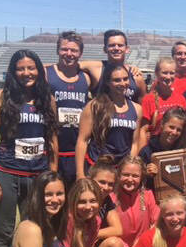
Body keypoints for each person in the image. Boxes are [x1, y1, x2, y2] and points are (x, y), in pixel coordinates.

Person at [0, 49, 58, 247]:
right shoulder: (2, 97)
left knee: (34, 229)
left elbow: (53, 139)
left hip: (37, 176)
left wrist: (52, 175)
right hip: (7, 173)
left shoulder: (48, 99)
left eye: (31, 67)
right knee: (4, 232)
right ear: (13, 72)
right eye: (21, 68)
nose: (26, 72)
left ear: (39, 70)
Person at [75, 63, 144, 175]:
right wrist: (80, 174)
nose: (122, 83)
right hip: (97, 167)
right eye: (117, 80)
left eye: (125, 79)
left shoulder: (137, 109)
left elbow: (134, 143)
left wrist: (129, 169)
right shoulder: (95, 106)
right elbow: (82, 140)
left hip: (121, 170)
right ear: (107, 82)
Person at [46, 31, 91, 188]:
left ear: (80, 53)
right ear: (57, 50)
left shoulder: (86, 78)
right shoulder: (46, 74)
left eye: (74, 50)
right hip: (52, 151)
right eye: (64, 49)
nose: (69, 54)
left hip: (78, 151)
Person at [62, 178, 126, 247]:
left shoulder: (95, 221)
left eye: (93, 201)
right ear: (73, 202)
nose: (88, 207)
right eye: (82, 202)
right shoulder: (69, 219)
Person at [110, 156, 160, 247]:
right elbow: (110, 232)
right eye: (125, 175)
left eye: (135, 176)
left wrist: (140, 245)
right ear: (118, 175)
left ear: (141, 177)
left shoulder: (147, 195)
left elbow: (157, 222)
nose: (130, 179)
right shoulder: (111, 199)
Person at [82, 29, 146, 102]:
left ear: (127, 49)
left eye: (120, 45)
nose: (116, 48)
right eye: (112, 45)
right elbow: (73, 66)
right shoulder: (96, 69)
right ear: (105, 49)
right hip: (102, 112)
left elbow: (143, 106)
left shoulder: (136, 76)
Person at [140, 107, 186, 191]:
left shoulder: (183, 151)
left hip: (178, 196)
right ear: (162, 124)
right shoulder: (147, 152)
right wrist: (146, 174)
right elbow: (138, 179)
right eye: (171, 127)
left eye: (179, 130)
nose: (174, 132)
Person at [140, 57, 186, 137]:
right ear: (156, 73)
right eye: (164, 73)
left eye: (172, 73)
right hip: (155, 146)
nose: (168, 77)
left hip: (176, 146)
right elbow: (143, 130)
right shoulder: (148, 99)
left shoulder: (181, 99)